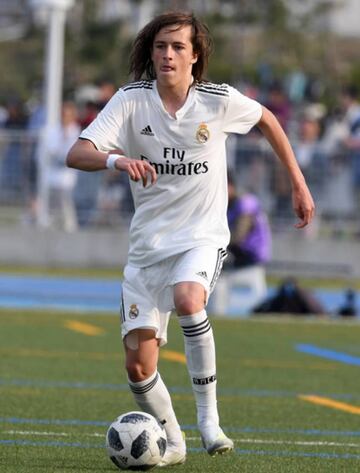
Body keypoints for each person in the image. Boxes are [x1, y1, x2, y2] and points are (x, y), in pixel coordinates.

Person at [66, 11, 315, 466]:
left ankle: (209, 421)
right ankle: (174, 442)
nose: (167, 54)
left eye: (178, 47)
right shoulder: (130, 101)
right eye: (161, 46)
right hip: (147, 249)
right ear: (152, 51)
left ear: (195, 56)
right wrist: (116, 162)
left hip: (201, 236)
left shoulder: (216, 100)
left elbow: (268, 122)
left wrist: (298, 182)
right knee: (139, 370)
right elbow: (77, 152)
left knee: (188, 297)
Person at [226, 174, 271, 269]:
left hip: (251, 257)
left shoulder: (246, 202)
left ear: (230, 186)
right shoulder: (229, 204)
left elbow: (240, 234)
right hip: (241, 256)